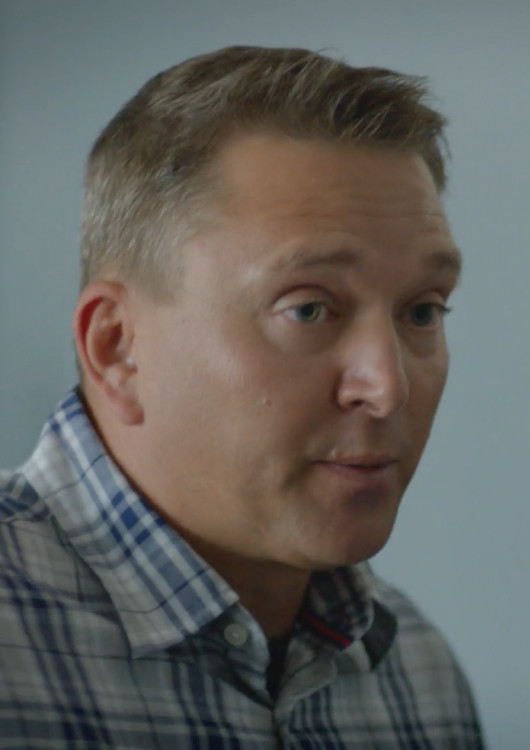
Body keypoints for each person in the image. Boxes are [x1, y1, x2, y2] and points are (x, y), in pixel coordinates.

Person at [0, 45, 484, 749]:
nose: (388, 388)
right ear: (117, 347)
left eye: (421, 311)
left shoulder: (420, 677)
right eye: (308, 309)